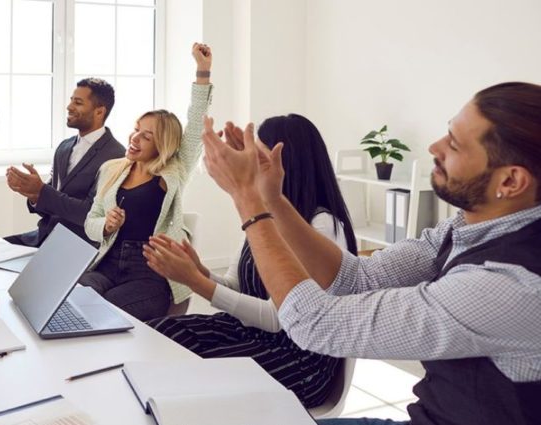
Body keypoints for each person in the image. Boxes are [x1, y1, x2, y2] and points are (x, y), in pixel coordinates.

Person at [198, 82, 541, 425]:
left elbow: (315, 324)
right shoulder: (465, 228)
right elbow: (358, 278)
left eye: (453, 145)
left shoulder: (511, 285)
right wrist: (270, 197)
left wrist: (248, 200)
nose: (434, 147)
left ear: (510, 182)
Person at [143, 114, 357, 408]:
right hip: (250, 332)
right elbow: (237, 285)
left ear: (288, 161)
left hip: (297, 356)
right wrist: (200, 272)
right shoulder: (263, 212)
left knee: (188, 375)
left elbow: (277, 319)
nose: (250, 162)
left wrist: (197, 282)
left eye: (258, 154)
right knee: (161, 335)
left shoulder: (322, 225)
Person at [79, 43, 213, 321]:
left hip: (149, 270)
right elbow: (90, 222)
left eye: (146, 136)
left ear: (162, 144)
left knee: (104, 316)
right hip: (105, 265)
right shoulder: (112, 170)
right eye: (136, 130)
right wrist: (105, 225)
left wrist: (202, 71)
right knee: (74, 303)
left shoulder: (173, 171)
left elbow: (196, 123)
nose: (134, 138)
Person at [4, 78, 125, 247]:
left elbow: (92, 214)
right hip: (44, 235)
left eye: (78, 102)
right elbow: (50, 202)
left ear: (99, 112)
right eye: (71, 101)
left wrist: (41, 191)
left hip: (76, 246)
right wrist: (33, 195)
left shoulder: (117, 156)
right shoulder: (64, 147)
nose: (69, 107)